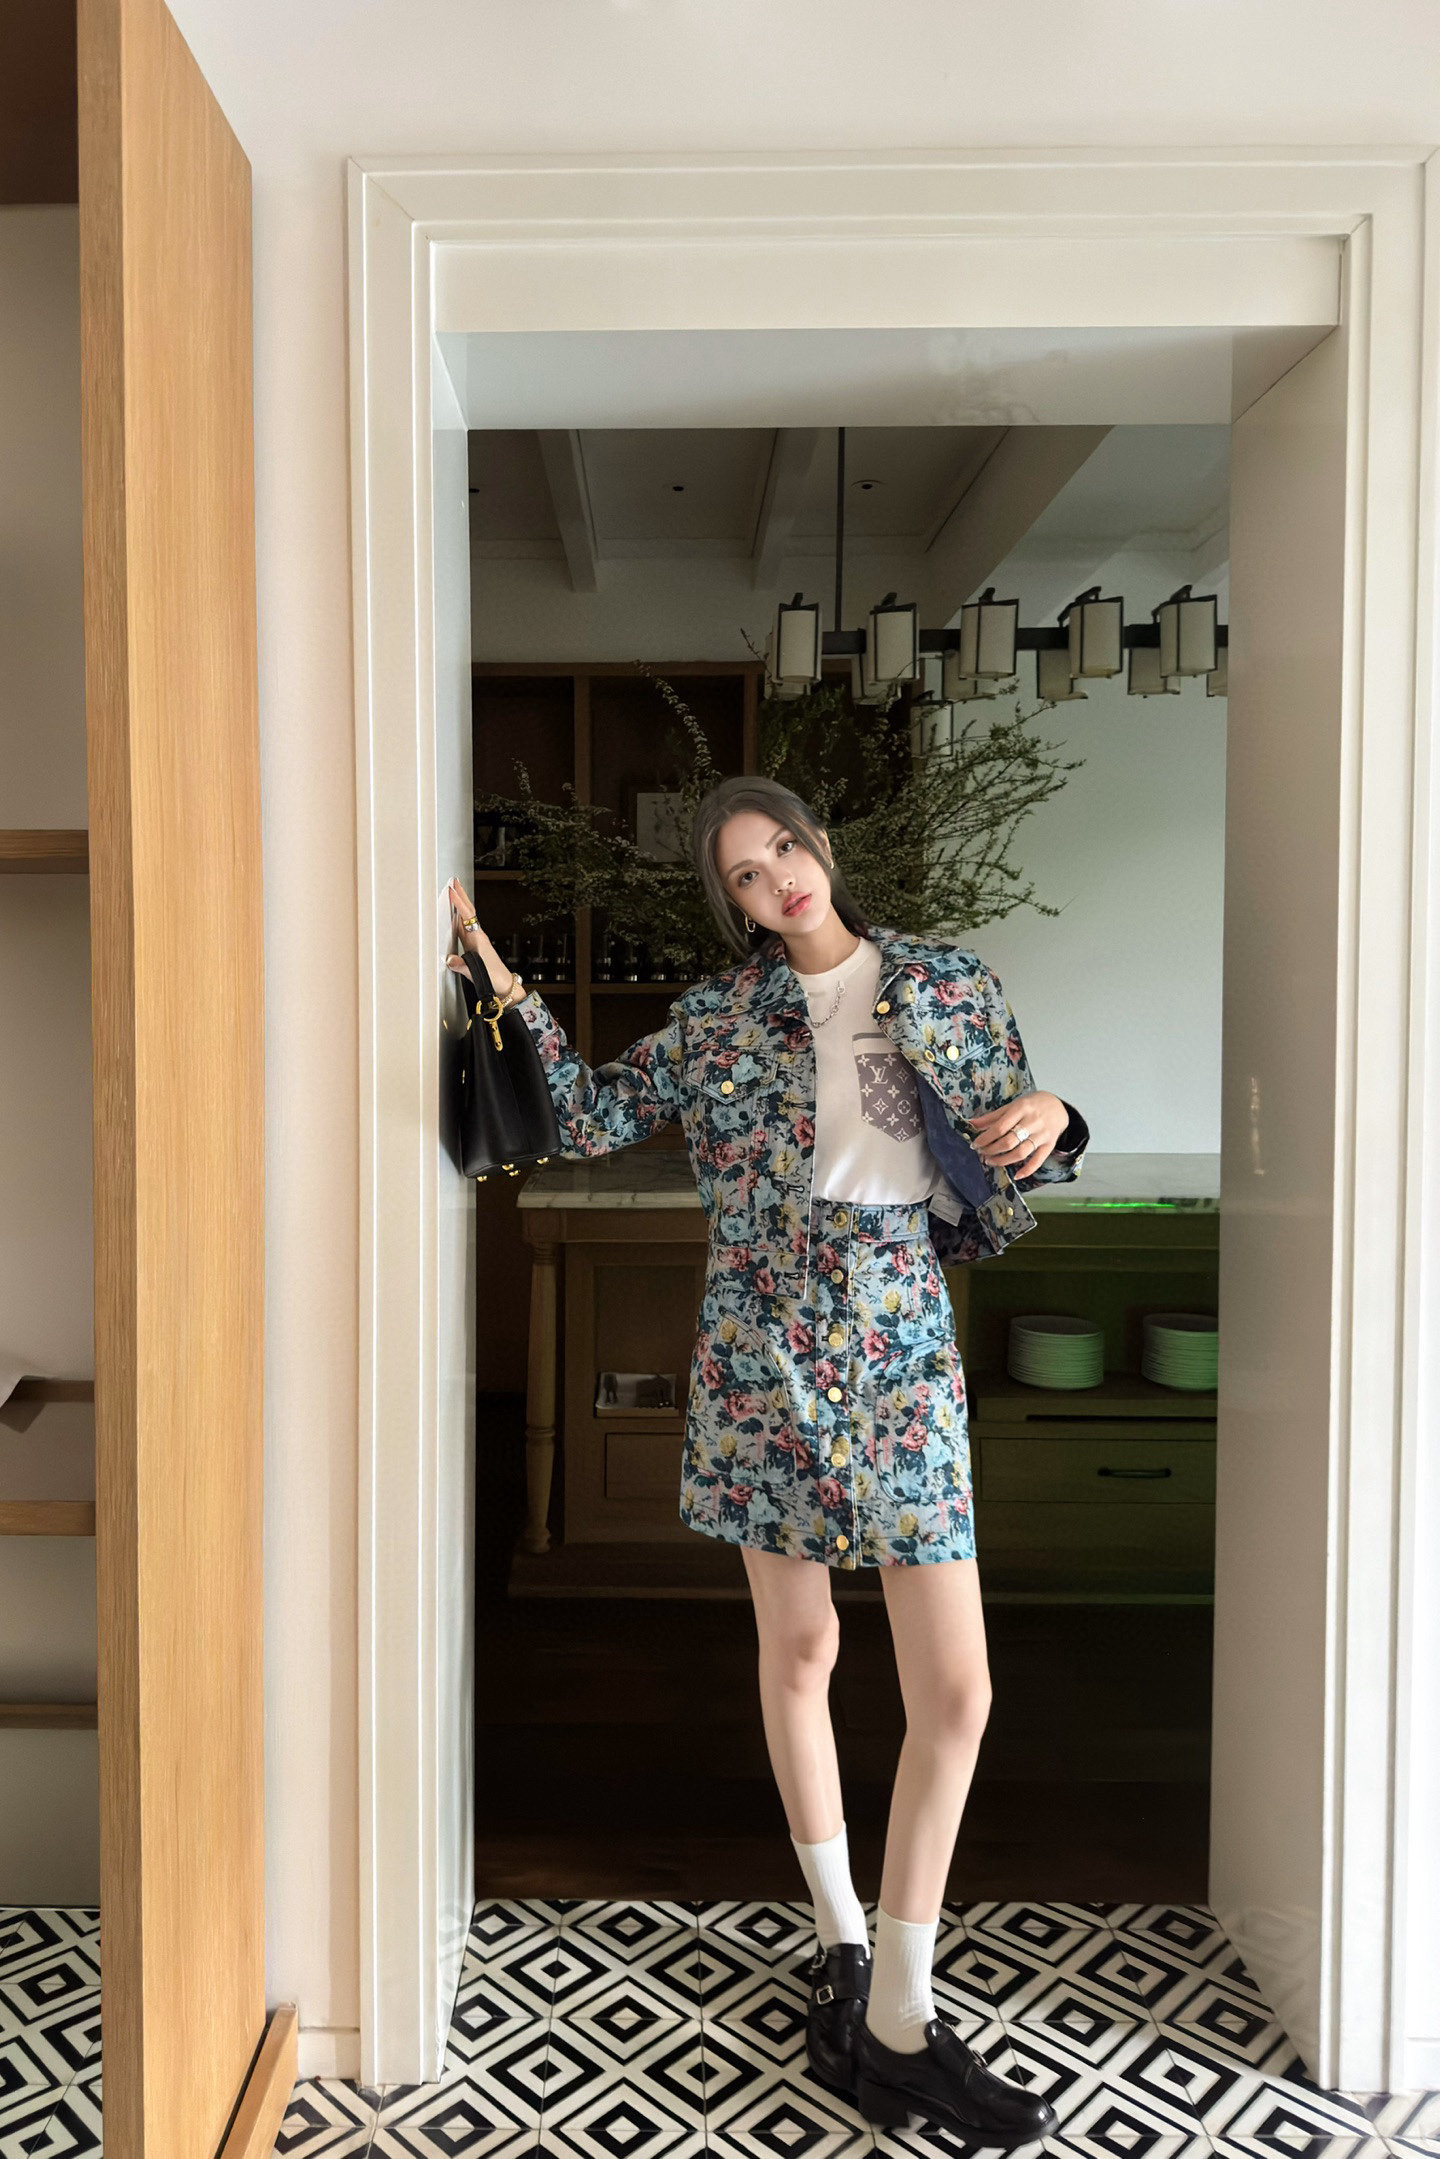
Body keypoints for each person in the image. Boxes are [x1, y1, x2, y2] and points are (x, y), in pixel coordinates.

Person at [448, 772, 1088, 2142]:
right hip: (762, 1346)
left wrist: (1056, 1115)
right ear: (732, 903)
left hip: (902, 1338)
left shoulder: (949, 982)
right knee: (801, 1652)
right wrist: (502, 987)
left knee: (957, 1692)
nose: (777, 879)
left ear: (821, 846)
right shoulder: (716, 1022)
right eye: (745, 873)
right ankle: (850, 1949)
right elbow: (587, 1112)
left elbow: (1014, 1150)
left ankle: (902, 2013)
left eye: (784, 849)